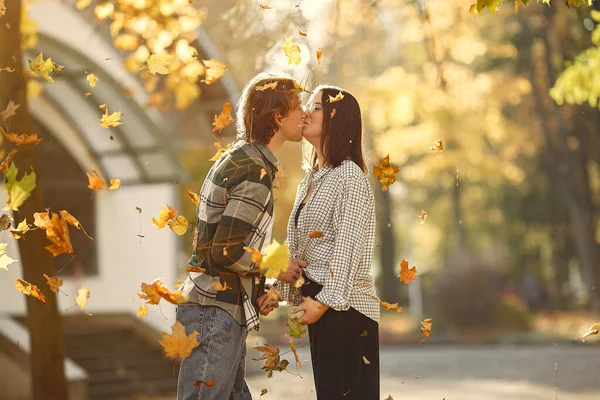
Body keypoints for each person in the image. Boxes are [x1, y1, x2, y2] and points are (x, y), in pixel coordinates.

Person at [176, 72, 308, 400]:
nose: (305, 113)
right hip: (213, 312)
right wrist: (277, 267)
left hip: (219, 309)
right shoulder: (254, 171)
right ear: (278, 117)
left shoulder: (243, 159)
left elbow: (227, 246)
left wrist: (260, 287)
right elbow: (225, 251)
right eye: (298, 107)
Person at [276, 85, 381, 399]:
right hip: (318, 307)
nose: (306, 112)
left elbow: (346, 250)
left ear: (337, 119)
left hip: (346, 311)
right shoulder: (310, 179)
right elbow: (299, 250)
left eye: (316, 106)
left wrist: (322, 302)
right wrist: (278, 291)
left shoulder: (349, 176)